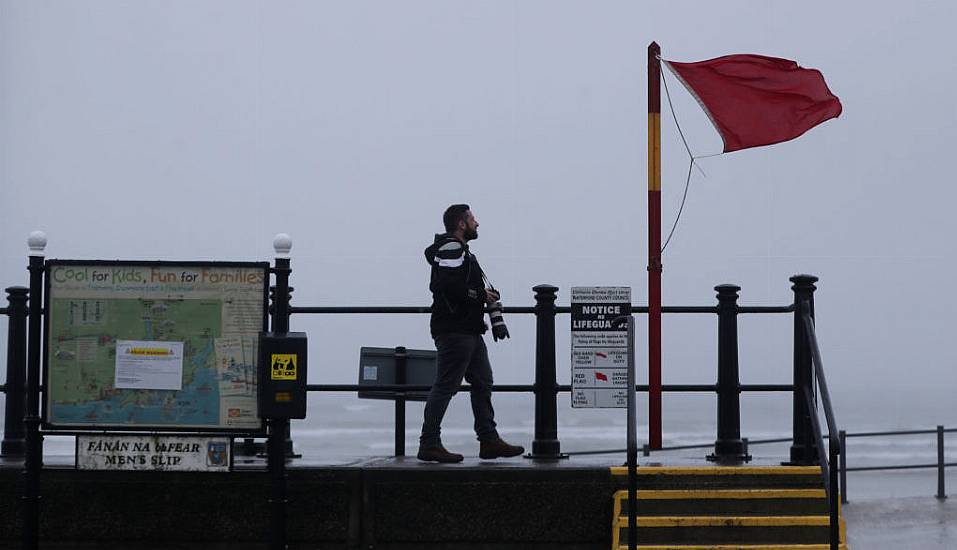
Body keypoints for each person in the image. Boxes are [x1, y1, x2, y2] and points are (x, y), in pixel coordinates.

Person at [417, 204, 525, 463]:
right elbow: (448, 287)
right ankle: (429, 443)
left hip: (468, 330)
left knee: (482, 381)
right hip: (456, 330)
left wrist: (480, 296)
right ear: (462, 224)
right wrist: (479, 296)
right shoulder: (452, 248)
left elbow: (456, 286)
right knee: (446, 386)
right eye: (473, 219)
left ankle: (489, 440)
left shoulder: (456, 250)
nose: (478, 223)